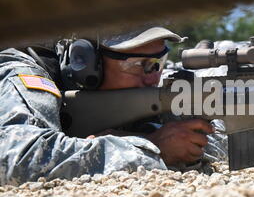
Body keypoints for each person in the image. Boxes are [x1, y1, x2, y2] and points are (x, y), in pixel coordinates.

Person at [0, 27, 215, 186]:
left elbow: (217, 135)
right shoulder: (23, 75)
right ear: (84, 61)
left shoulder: (140, 87)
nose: (152, 79)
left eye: (158, 62)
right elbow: (18, 161)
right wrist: (150, 147)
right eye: (137, 64)